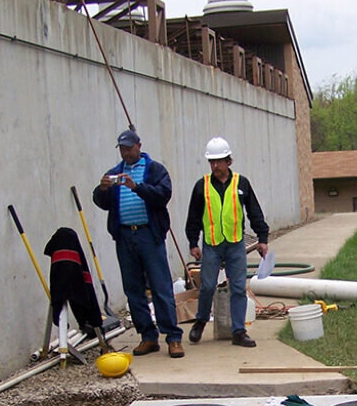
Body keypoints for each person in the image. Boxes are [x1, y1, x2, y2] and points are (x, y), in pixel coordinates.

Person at [92, 129, 184, 359]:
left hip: (149, 235)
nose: (125, 153)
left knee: (160, 287)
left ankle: (173, 337)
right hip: (125, 237)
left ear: (139, 146)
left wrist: (137, 188)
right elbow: (101, 202)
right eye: (122, 149)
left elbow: (163, 195)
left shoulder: (155, 170)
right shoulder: (115, 172)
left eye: (129, 148)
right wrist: (103, 189)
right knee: (133, 289)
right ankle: (148, 336)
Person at [184, 136, 269, 348]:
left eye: (219, 161)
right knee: (207, 286)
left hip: (235, 243)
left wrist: (263, 238)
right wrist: (193, 243)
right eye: (211, 162)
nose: (215, 165)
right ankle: (201, 321)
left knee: (238, 288)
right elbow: (193, 217)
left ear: (228, 161)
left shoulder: (242, 183)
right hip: (211, 244)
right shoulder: (201, 186)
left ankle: (239, 331)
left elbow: (254, 212)